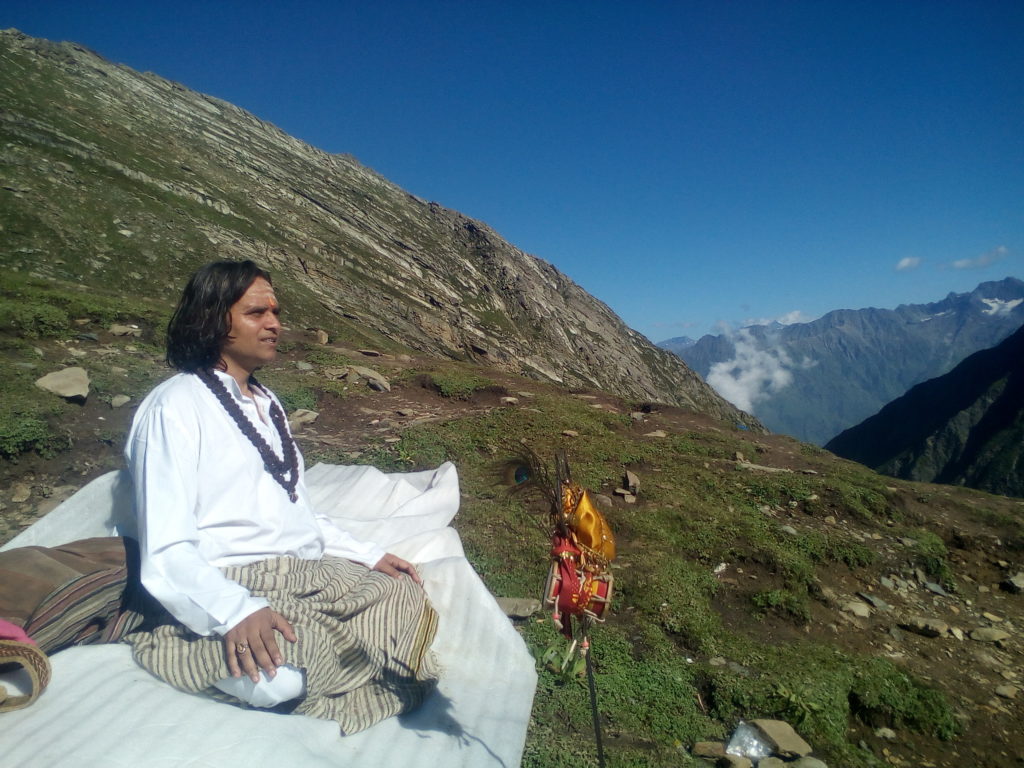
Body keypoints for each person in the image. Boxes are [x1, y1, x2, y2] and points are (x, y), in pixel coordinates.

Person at [124, 260, 438, 733]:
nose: (274, 324)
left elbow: (296, 507)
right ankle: (198, 650)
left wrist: (367, 554)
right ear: (212, 319)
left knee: (402, 592)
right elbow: (166, 546)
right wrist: (237, 609)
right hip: (233, 577)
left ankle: (328, 658)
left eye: (275, 312)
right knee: (281, 679)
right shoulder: (175, 406)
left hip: (301, 574)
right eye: (256, 313)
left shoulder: (267, 403)